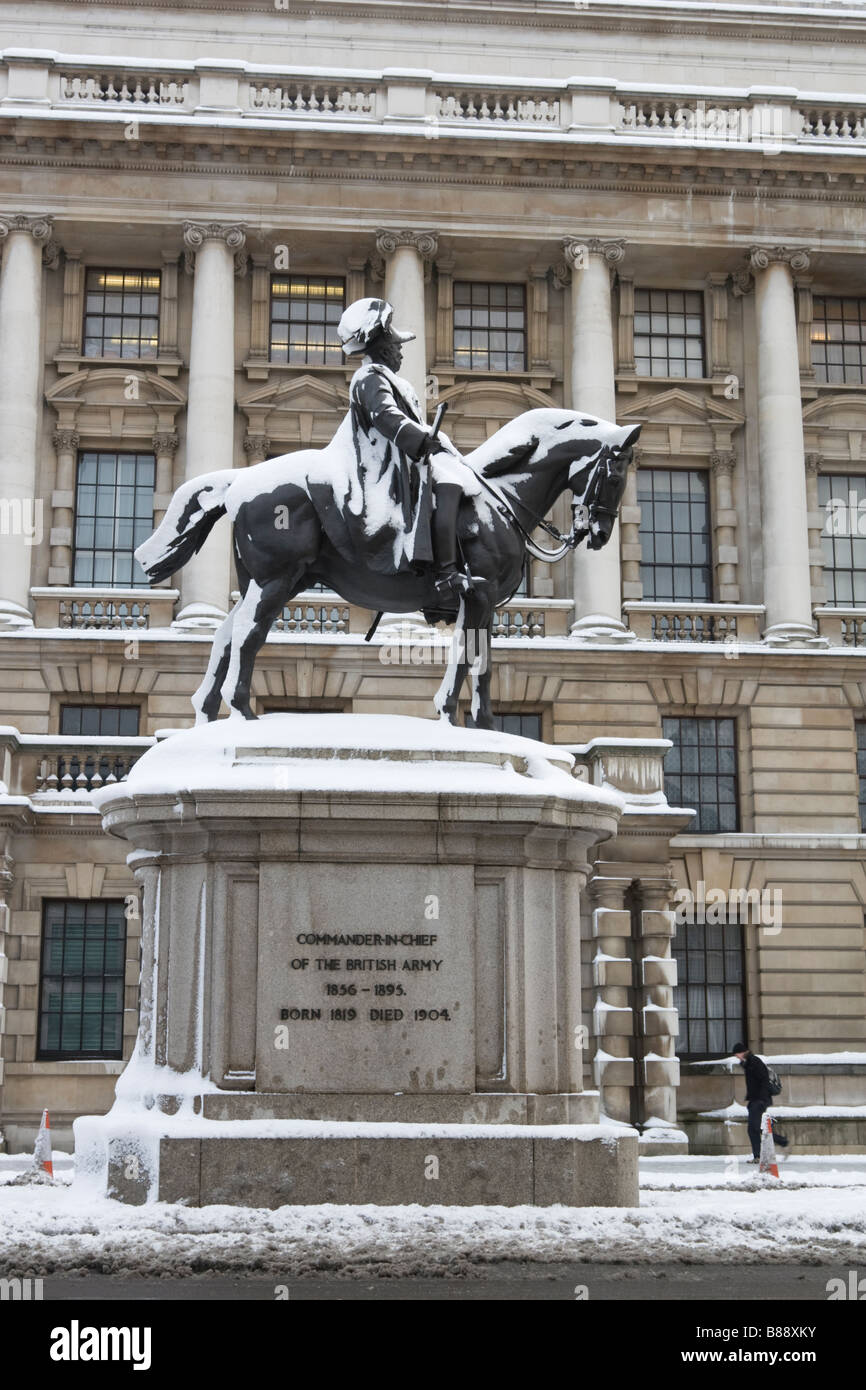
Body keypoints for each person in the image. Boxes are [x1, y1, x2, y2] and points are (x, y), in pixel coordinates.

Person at [337, 297, 481, 591]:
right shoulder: (369, 378)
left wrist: (436, 440)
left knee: (458, 476)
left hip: (406, 459)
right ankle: (445, 571)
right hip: (386, 467)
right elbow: (385, 416)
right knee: (450, 484)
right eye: (396, 345)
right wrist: (419, 441)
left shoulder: (392, 381)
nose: (401, 350)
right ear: (383, 349)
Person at [732, 1041, 775, 1163]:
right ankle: (759, 1154)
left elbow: (764, 1080)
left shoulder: (754, 1061)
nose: (737, 1057)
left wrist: (761, 1099)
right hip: (755, 1100)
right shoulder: (748, 1063)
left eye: (737, 1054)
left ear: (743, 1052)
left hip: (759, 1100)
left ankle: (763, 1152)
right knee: (754, 1128)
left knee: (754, 1128)